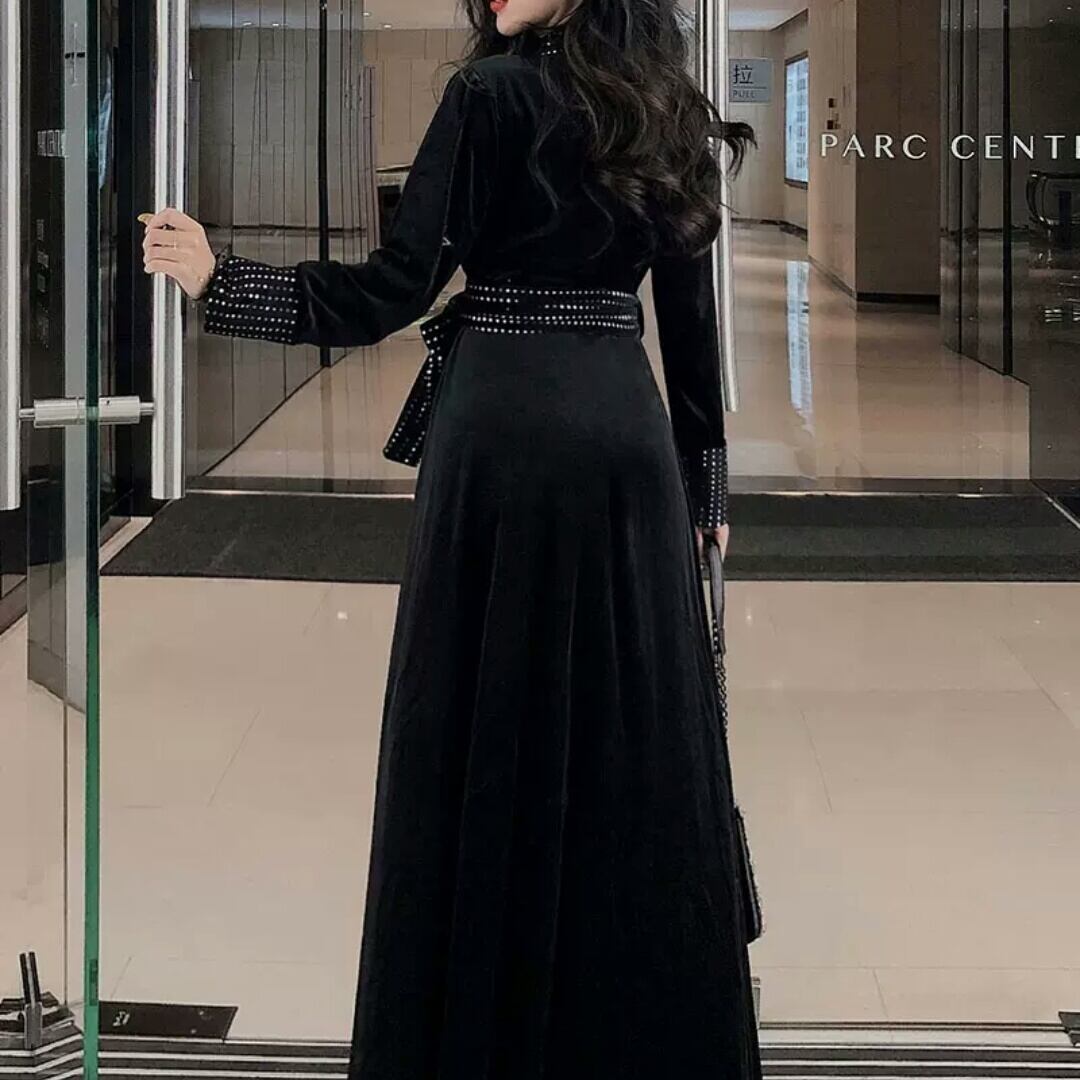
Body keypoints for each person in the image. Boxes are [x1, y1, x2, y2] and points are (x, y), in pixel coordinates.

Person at [142, 1, 760, 1076]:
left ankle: (478, 1029)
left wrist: (221, 280)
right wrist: (705, 492)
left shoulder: (488, 95)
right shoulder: (664, 107)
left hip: (501, 441)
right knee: (633, 736)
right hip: (624, 437)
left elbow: (391, 289)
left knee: (483, 728)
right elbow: (694, 334)